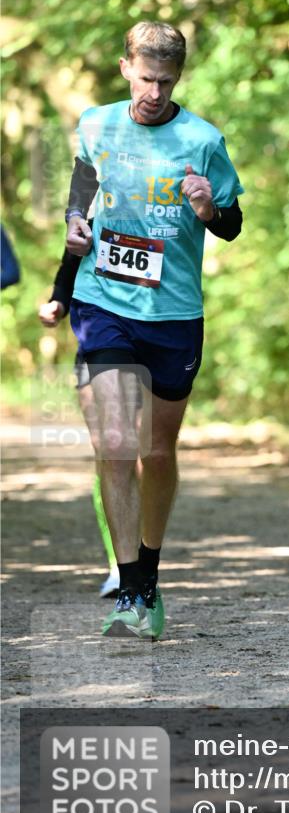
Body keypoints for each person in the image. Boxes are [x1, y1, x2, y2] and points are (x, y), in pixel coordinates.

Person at [65, 21, 244, 639]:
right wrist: (74, 224)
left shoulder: (203, 140)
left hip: (172, 314)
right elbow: (82, 188)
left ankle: (150, 574)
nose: (154, 93)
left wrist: (208, 209)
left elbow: (231, 224)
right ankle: (128, 589)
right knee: (116, 442)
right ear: (125, 68)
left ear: (178, 78)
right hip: (102, 301)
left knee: (156, 451)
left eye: (166, 82)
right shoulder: (96, 124)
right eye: (145, 78)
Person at [39, 238, 130, 599]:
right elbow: (69, 269)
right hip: (98, 342)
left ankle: (143, 556)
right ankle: (120, 565)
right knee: (110, 451)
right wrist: (58, 303)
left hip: (153, 340)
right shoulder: (92, 211)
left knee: (141, 456)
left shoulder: (164, 211)